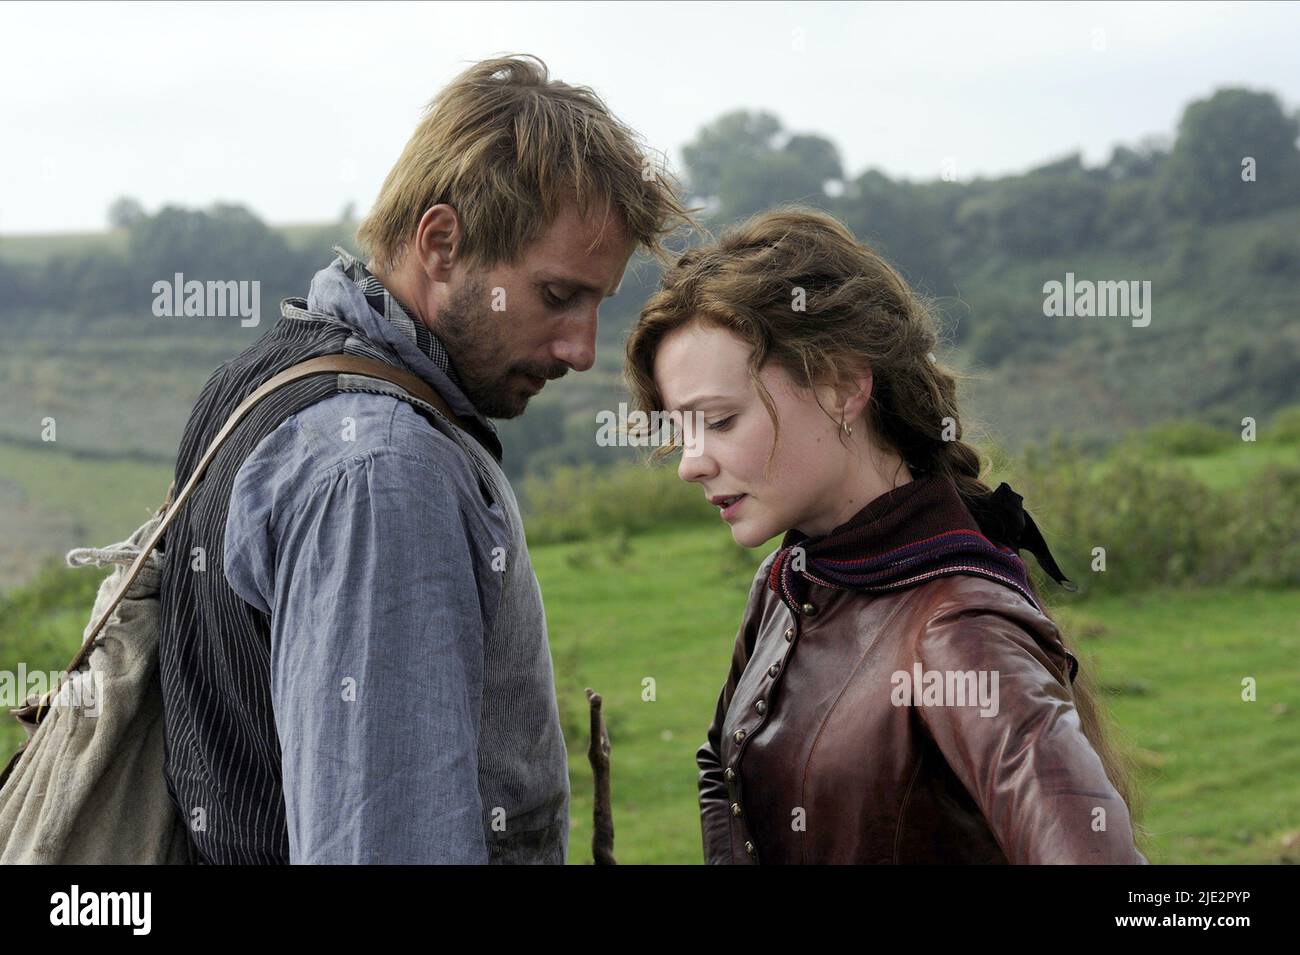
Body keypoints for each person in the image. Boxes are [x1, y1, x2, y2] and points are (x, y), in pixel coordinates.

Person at [157, 54, 694, 864]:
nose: (582, 350)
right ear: (441, 244)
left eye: (597, 304)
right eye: (556, 295)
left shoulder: (262, 380)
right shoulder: (382, 470)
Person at [623, 205, 1148, 864]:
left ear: (843, 387)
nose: (689, 463)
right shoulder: (789, 581)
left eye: (720, 421)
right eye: (682, 431)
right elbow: (723, 770)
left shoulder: (959, 632)